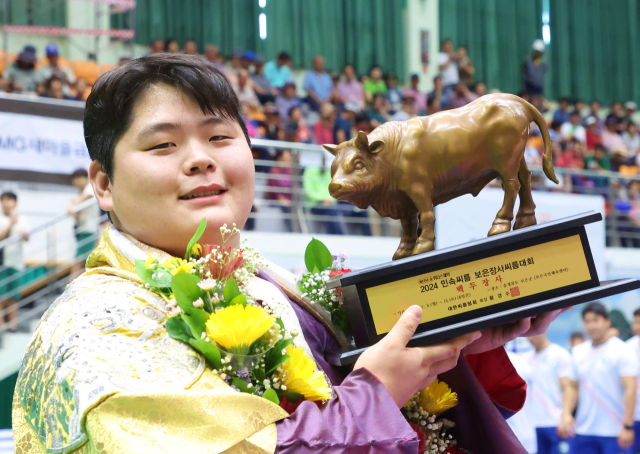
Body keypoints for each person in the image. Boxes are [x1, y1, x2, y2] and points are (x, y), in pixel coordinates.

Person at [12, 54, 564, 454]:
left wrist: (456, 336)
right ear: (103, 185)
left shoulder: (269, 282)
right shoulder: (97, 330)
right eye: (163, 145)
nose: (201, 160)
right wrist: (378, 393)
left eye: (220, 138)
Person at [570, 302, 638, 453]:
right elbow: (572, 387)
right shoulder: (578, 352)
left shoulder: (622, 350)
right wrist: (567, 414)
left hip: (614, 431)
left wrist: (627, 426)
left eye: (596, 320)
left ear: (607, 321)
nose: (592, 325)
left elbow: (631, 388)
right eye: (587, 321)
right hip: (583, 431)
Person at [526, 333, 577, 454]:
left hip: (555, 423)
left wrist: (566, 415)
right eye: (527, 334)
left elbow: (569, 388)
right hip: (531, 425)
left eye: (532, 333)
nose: (530, 337)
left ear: (542, 330)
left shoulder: (560, 354)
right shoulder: (525, 359)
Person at [0, 191, 29, 332]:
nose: (6, 203)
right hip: (2, 263)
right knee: (1, 295)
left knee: (14, 296)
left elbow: (27, 238)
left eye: (9, 200)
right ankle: (1, 325)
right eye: (4, 200)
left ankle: (12, 326)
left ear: (15, 203)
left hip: (16, 262)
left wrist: (24, 234)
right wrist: (11, 223)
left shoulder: (22, 219)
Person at [66, 168, 101, 274]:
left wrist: (72, 206)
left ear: (83, 178)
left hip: (89, 229)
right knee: (83, 260)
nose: (75, 183)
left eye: (76, 180)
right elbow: (76, 215)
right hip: (81, 229)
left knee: (79, 261)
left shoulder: (90, 188)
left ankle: (71, 284)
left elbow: (83, 199)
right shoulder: (79, 193)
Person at [303, 154, 344, 235]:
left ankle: (334, 236)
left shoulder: (329, 172)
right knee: (331, 211)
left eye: (325, 159)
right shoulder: (309, 171)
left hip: (329, 203)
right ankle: (339, 236)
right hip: (315, 204)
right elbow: (309, 192)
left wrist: (329, 200)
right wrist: (323, 199)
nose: (324, 162)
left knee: (332, 211)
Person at [266, 149, 294, 232]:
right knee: (287, 208)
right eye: (287, 157)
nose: (289, 159)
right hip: (276, 201)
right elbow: (273, 189)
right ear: (280, 158)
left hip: (289, 201)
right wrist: (282, 199)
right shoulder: (273, 171)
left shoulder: (290, 171)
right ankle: (291, 231)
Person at [627, 308, 640, 454]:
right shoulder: (627, 347)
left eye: (639, 322)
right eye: (634, 322)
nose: (635, 326)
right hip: (634, 415)